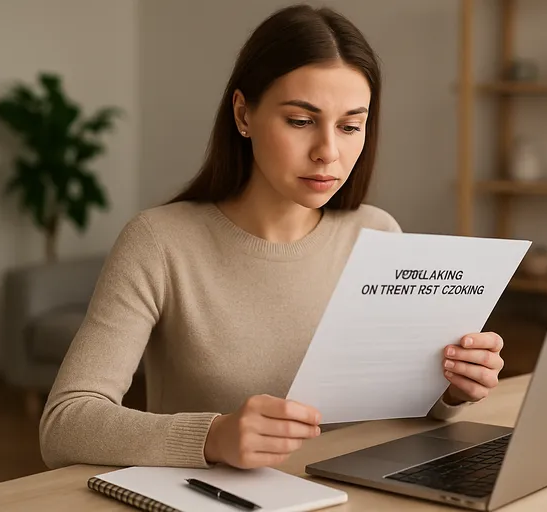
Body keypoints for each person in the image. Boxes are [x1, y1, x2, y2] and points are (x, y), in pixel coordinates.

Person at [39, 4, 505, 471]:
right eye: (301, 121)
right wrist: (212, 437)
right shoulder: (159, 243)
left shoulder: (377, 233)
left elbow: (397, 410)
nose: (328, 152)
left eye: (350, 126)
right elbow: (65, 424)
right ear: (243, 113)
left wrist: (449, 390)